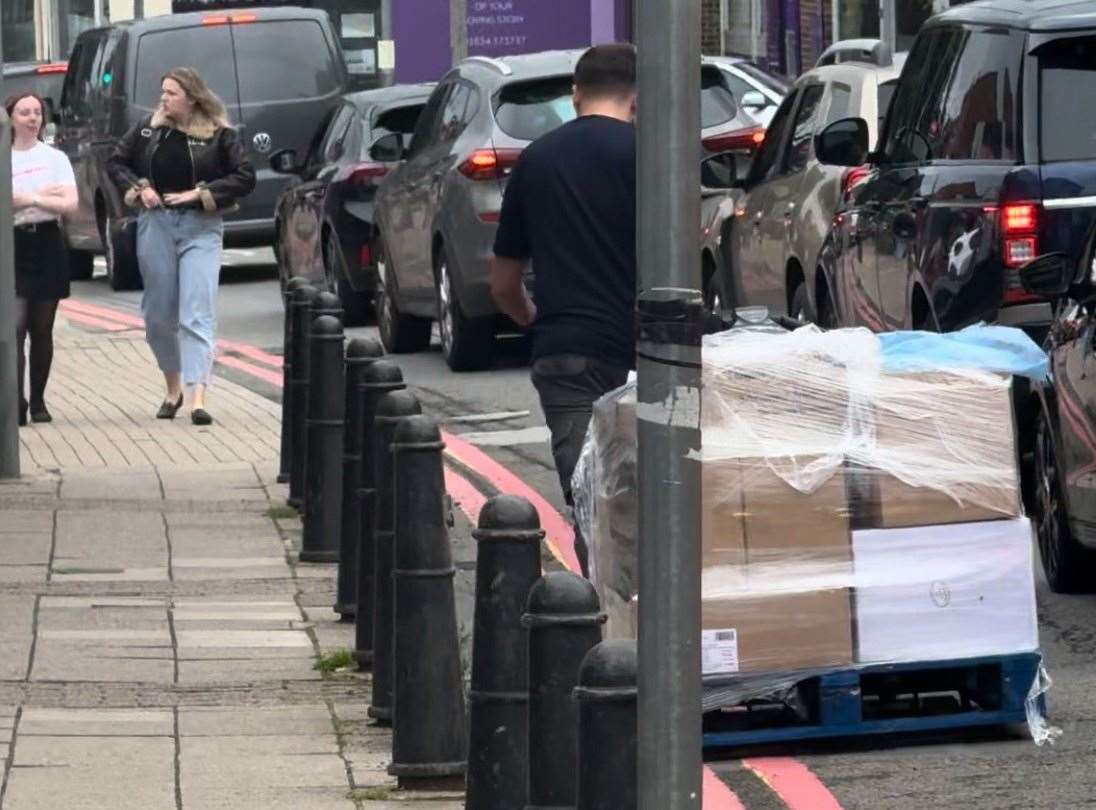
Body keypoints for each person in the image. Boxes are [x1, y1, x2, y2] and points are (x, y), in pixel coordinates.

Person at [490, 44, 638, 576]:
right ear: (637, 100)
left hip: (569, 356)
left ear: (575, 96)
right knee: (663, 500)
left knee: (591, 502)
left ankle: (605, 636)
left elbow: (504, 283)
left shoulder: (537, 160)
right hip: (653, 358)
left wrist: (532, 316)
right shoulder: (651, 155)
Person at [107, 67, 255, 426]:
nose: (163, 98)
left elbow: (245, 176)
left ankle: (197, 397)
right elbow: (115, 161)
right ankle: (172, 388)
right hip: (155, 225)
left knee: (196, 312)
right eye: (163, 91)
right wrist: (140, 187)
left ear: (191, 97)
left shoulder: (219, 134)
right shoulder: (147, 129)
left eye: (171, 92)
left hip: (201, 227)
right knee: (159, 317)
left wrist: (200, 193)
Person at [8, 92, 79, 427]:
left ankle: (37, 401)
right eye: (24, 112)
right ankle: (16, 402)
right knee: (15, 327)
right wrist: (45, 195)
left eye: (37, 112)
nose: (33, 118)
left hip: (48, 243)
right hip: (13, 245)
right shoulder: (5, 158)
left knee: (42, 328)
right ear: (11, 118)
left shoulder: (55, 158)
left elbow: (69, 203)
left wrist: (28, 197)